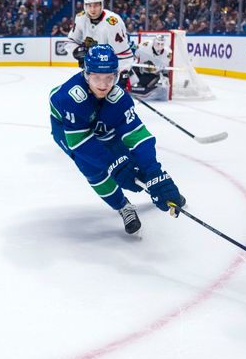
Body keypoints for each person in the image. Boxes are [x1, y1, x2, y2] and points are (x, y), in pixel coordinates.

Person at [49, 44, 186, 235]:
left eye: (109, 78)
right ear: (86, 74)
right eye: (96, 77)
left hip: (99, 120)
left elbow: (138, 137)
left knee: (127, 159)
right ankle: (123, 206)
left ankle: (159, 190)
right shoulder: (70, 98)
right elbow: (80, 143)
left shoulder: (120, 98)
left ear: (116, 75)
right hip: (66, 129)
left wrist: (155, 173)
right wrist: (112, 164)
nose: (103, 84)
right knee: (92, 167)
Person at [65, 0, 134, 87]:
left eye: (96, 5)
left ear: (102, 5)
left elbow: (124, 53)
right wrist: (77, 51)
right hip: (91, 71)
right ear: (85, 5)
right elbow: (70, 42)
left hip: (110, 71)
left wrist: (124, 73)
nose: (92, 9)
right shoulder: (80, 18)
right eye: (89, 5)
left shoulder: (113, 22)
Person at [131, 33, 171, 100]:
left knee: (160, 83)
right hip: (140, 70)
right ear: (154, 42)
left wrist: (164, 77)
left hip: (152, 74)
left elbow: (164, 70)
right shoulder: (145, 45)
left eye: (162, 44)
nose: (160, 46)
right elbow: (135, 53)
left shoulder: (168, 53)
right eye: (158, 43)